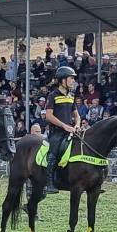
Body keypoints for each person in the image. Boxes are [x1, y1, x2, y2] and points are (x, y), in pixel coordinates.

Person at [44, 66, 81, 195]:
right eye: (71, 78)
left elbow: (77, 115)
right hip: (57, 132)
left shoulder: (71, 96)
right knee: (53, 153)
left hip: (71, 131)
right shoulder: (53, 95)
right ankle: (48, 183)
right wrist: (64, 126)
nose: (73, 81)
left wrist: (77, 125)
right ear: (62, 80)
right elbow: (49, 115)